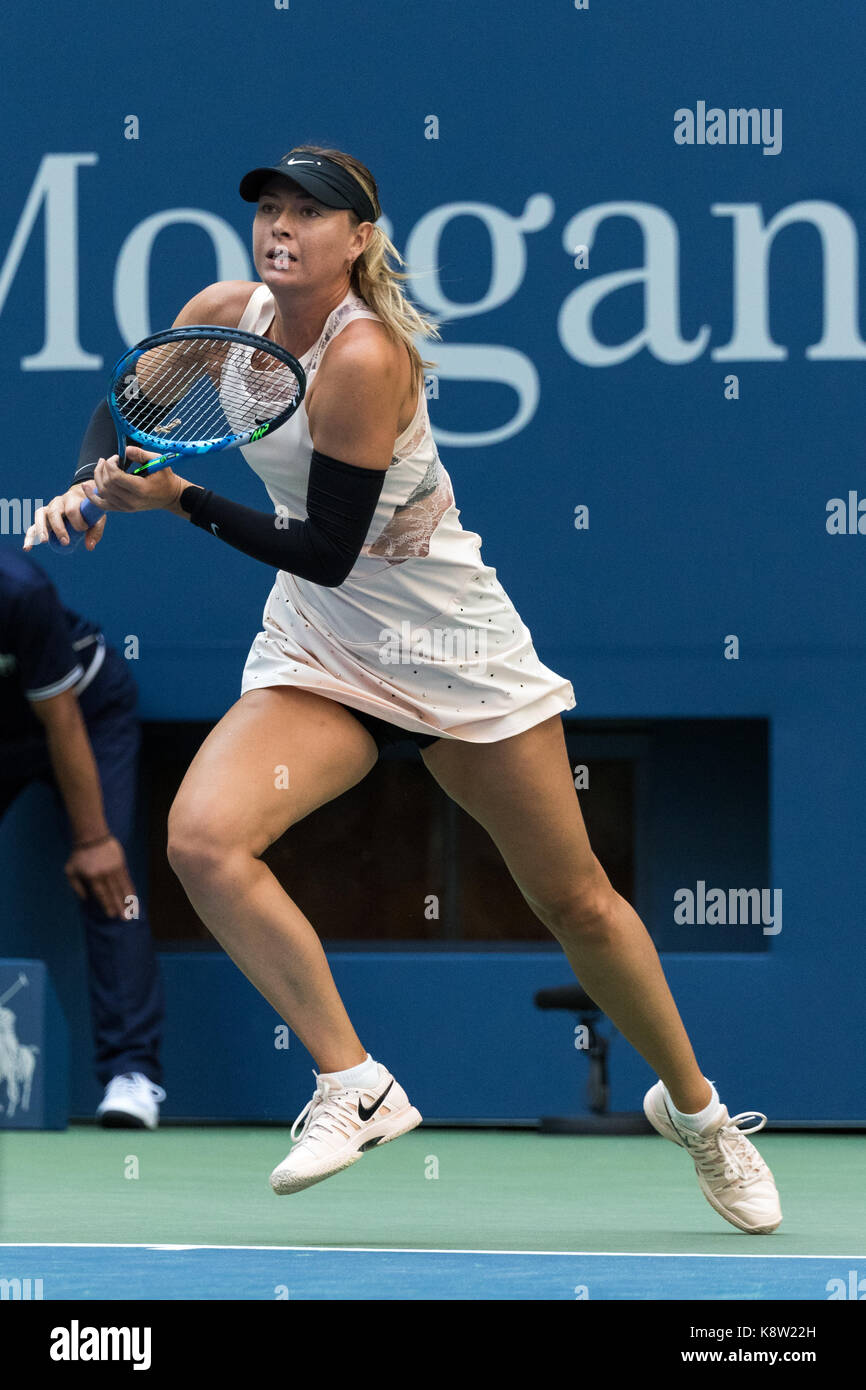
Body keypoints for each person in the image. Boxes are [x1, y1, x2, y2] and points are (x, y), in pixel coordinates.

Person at [25, 145, 781, 1232]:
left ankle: (701, 1115)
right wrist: (96, 478)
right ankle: (352, 1081)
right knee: (201, 839)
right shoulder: (221, 312)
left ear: (358, 239)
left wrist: (178, 498)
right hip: (324, 652)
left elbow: (326, 545)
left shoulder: (365, 357)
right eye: (270, 209)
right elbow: (132, 404)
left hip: (447, 649)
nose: (282, 227)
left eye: (310, 214)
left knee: (572, 899)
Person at [0, 545, 166, 1128]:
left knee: (108, 882)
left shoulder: (17, 589)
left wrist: (94, 840)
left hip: (84, 714)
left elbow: (61, 718)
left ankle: (132, 1075)